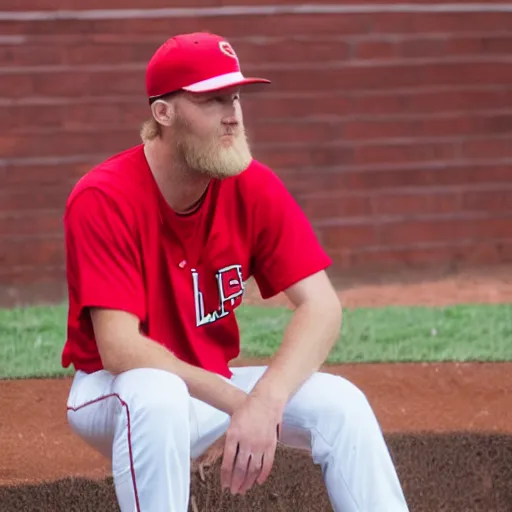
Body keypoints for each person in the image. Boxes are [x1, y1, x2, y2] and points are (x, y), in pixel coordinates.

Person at [62, 31, 409, 512]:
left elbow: (322, 306)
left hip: (210, 383)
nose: (233, 114)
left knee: (342, 404)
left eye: (236, 96)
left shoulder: (253, 186)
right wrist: (237, 403)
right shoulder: (104, 197)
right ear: (163, 113)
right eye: (212, 99)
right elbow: (120, 350)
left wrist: (265, 399)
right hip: (112, 393)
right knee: (156, 392)